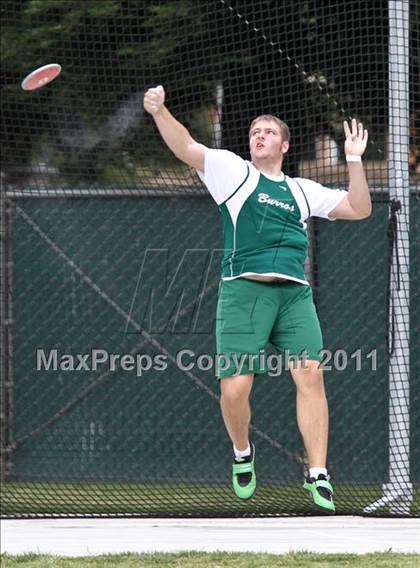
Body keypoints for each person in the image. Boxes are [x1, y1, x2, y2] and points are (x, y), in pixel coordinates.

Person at [143, 85, 371, 514]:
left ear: (285, 145)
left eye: (268, 132)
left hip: (293, 297)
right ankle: (243, 452)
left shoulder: (303, 190)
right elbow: (187, 147)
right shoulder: (233, 172)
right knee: (234, 388)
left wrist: (354, 160)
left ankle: (318, 473)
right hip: (243, 292)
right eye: (254, 132)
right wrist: (159, 112)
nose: (259, 136)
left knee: (311, 377)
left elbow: (359, 208)